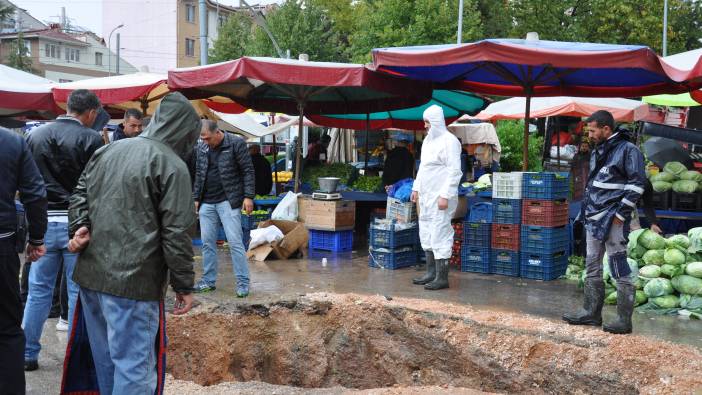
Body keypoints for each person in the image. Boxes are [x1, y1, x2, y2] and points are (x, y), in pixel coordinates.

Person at [64, 92, 198, 394]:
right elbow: (177, 233)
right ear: (184, 131)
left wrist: (80, 225)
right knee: (134, 369)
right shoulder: (172, 165)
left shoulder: (109, 150)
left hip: (91, 278)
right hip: (133, 284)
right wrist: (184, 285)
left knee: (107, 363)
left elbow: (79, 194)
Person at [23, 89, 104, 371]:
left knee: (38, 292)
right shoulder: (92, 138)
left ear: (67, 107)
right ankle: (76, 358)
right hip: (76, 225)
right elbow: (96, 186)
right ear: (91, 112)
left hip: (43, 224)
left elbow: (28, 184)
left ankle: (27, 353)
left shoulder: (35, 135)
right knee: (77, 292)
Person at [563, 110, 646, 335]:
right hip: (593, 218)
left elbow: (638, 184)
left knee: (619, 267)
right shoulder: (598, 150)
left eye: (592, 130)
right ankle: (590, 313)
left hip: (613, 220)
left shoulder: (629, 150)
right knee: (591, 265)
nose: (589, 135)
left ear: (606, 129)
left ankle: (623, 320)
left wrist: (620, 215)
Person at [0, 127, 47, 395]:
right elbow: (35, 193)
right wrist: (37, 238)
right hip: (2, 246)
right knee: (6, 328)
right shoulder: (12, 142)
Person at [193, 120, 255, 297]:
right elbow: (199, 173)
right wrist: (196, 198)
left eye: (207, 138)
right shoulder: (202, 147)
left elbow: (248, 170)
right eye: (202, 139)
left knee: (235, 242)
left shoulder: (236, 143)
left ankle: (243, 283)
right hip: (207, 201)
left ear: (217, 133)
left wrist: (248, 196)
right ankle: (208, 281)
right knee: (207, 243)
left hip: (229, 200)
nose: (205, 142)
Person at [410, 105, 463, 291]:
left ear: (436, 122)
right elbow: (423, 167)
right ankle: (430, 272)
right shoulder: (427, 142)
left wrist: (445, 195)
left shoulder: (450, 141)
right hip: (426, 196)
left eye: (427, 123)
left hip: (441, 197)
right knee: (426, 231)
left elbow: (455, 171)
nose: (425, 126)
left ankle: (442, 277)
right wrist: (416, 188)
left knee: (440, 232)